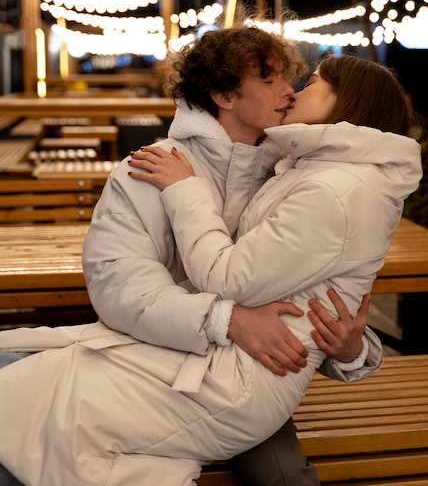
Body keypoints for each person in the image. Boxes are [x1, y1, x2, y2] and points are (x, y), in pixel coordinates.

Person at [0, 50, 421, 486]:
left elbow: (307, 295)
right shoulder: (152, 168)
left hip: (234, 377)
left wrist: (351, 349)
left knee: (282, 476)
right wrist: (228, 320)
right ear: (223, 94)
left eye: (299, 81)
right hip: (170, 354)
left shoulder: (292, 172)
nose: (289, 91)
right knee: (30, 422)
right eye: (270, 79)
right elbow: (121, 290)